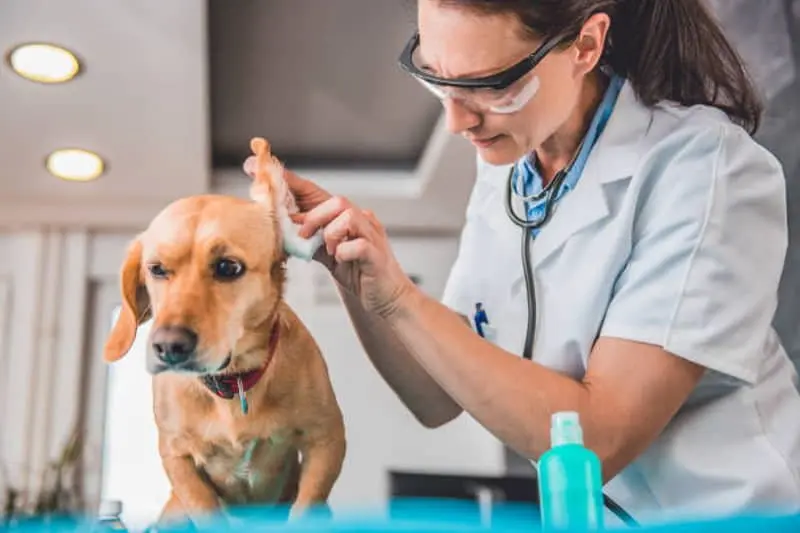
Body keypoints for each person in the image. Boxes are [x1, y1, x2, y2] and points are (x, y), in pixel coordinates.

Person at [245, 0, 800, 524]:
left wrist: (401, 297)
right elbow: (435, 397)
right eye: (437, 77)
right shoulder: (511, 165)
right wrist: (356, 273)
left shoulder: (706, 172)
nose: (456, 122)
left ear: (586, 45)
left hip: (732, 515)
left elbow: (598, 440)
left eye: (490, 85)